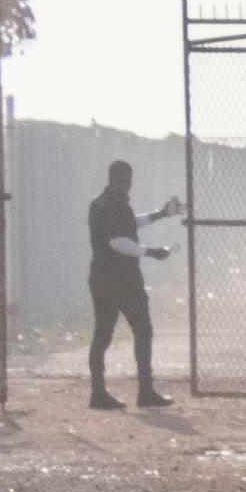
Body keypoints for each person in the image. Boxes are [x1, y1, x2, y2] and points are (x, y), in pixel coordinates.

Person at [84, 163, 179, 410]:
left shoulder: (100, 203)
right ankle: (145, 391)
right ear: (126, 179)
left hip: (101, 278)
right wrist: (151, 252)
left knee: (102, 334)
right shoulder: (115, 204)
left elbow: (128, 224)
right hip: (123, 280)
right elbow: (118, 241)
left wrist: (160, 214)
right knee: (142, 330)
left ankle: (98, 393)